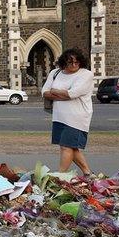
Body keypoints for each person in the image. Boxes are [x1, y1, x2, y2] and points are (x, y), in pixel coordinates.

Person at [42, 48, 94, 176]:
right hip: (59, 116)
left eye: (77, 62)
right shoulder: (55, 72)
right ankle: (88, 173)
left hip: (77, 117)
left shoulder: (85, 74)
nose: (74, 65)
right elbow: (44, 92)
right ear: (64, 62)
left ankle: (60, 175)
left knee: (66, 147)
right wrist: (63, 94)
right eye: (70, 62)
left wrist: (55, 91)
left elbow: (73, 93)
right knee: (70, 147)